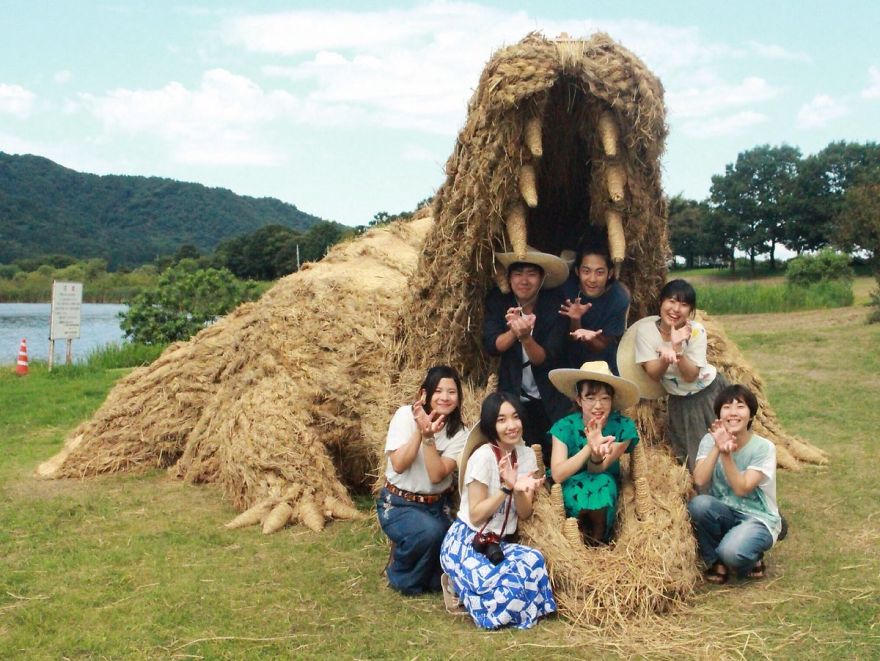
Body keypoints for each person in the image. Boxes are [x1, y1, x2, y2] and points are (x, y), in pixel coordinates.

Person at [440, 392, 557, 629]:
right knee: (495, 584)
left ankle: (472, 592)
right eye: (502, 420)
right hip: (467, 541)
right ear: (491, 425)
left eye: (515, 417)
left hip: (497, 543)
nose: (511, 426)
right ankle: (454, 584)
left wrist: (519, 491)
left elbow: (523, 513)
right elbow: (475, 514)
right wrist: (505, 487)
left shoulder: (526, 457)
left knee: (533, 560)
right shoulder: (482, 457)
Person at [377, 365, 468, 595]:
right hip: (399, 503)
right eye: (438, 391)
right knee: (429, 533)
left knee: (452, 542)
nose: (445, 397)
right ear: (424, 394)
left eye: (451, 392)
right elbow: (398, 464)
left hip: (438, 504)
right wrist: (421, 431)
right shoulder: (404, 416)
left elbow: (437, 475)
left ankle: (428, 578)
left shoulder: (459, 433)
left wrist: (430, 438)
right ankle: (400, 576)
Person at [624, 279, 727, 471]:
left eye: (684, 304)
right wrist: (666, 355)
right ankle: (706, 498)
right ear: (661, 302)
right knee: (695, 456)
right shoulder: (645, 332)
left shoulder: (696, 331)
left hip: (710, 393)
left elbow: (691, 376)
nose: (676, 309)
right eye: (671, 301)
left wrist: (677, 350)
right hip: (681, 402)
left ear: (690, 310)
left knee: (728, 445)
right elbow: (653, 373)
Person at [483, 248, 571, 463]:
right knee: (519, 454)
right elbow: (492, 345)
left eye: (531, 274)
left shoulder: (554, 305)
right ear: (509, 278)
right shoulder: (498, 301)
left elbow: (545, 358)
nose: (524, 280)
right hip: (513, 391)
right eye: (518, 273)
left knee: (553, 453)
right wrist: (514, 332)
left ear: (541, 279)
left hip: (549, 395)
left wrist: (526, 338)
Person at [688, 384, 782, 584]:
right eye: (726, 407)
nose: (733, 413)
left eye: (740, 406)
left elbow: (742, 488)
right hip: (726, 511)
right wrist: (716, 446)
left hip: (757, 517)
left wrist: (726, 454)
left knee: (732, 552)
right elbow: (699, 480)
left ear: (751, 415)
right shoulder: (709, 440)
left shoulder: (764, 448)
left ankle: (750, 556)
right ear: (718, 414)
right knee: (699, 504)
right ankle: (716, 562)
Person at [548, 361, 640, 544]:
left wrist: (597, 455)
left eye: (605, 398)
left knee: (602, 484)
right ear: (579, 399)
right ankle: (576, 540)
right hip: (571, 481)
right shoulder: (563, 427)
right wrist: (589, 447)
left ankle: (598, 541)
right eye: (590, 398)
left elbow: (597, 469)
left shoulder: (623, 427)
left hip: (603, 479)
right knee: (577, 494)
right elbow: (558, 475)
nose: (598, 405)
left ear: (612, 400)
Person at [558, 243, 630, 375]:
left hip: (602, 364)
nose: (592, 279)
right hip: (566, 360)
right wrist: (576, 320)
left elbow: (602, 345)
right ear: (577, 271)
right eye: (586, 271)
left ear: (610, 273)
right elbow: (563, 337)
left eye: (600, 272)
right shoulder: (565, 289)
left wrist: (590, 338)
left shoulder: (618, 298)